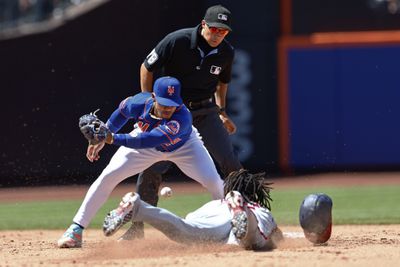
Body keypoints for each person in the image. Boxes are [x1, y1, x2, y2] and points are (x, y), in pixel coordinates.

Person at [57, 76, 224, 248]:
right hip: (143, 145)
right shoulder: (138, 103)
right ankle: (75, 230)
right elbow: (121, 113)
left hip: (185, 147)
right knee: (108, 177)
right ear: (153, 97)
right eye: (164, 102)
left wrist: (111, 138)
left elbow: (149, 140)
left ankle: (229, 227)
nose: (168, 108)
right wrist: (104, 133)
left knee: (214, 182)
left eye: (172, 103)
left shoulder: (182, 118)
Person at [122, 4, 243, 241]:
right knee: (152, 166)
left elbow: (222, 82)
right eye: (215, 29)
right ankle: (137, 228)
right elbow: (146, 68)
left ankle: (246, 217)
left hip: (204, 110)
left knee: (230, 161)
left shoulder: (226, 52)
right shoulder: (176, 41)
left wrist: (222, 110)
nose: (219, 34)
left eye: (224, 31)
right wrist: (149, 103)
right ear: (204, 25)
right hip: (173, 112)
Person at [103, 170, 284, 250]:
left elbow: (191, 217)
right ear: (254, 194)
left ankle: (138, 208)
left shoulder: (214, 204)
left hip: (212, 215)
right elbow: (277, 236)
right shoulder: (259, 208)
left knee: (184, 229)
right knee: (254, 239)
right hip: (244, 213)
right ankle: (240, 207)